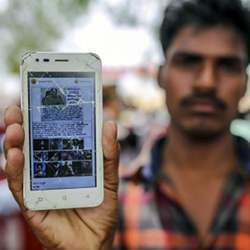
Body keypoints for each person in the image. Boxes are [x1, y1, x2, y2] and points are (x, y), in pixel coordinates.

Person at [3, 0, 250, 249]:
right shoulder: (106, 203)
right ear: (160, 76)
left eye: (227, 65)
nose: (206, 82)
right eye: (189, 61)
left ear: (245, 81)